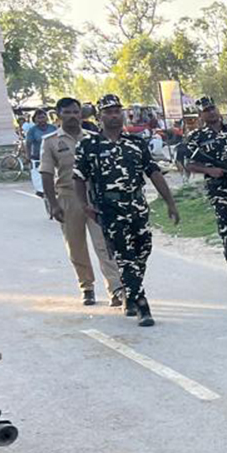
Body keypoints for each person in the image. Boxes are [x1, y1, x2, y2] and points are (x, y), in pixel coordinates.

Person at [72, 93, 180, 326]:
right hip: (109, 210)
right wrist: (84, 205)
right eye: (109, 112)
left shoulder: (136, 143)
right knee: (125, 257)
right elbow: (78, 177)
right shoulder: (89, 145)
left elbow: (153, 173)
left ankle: (130, 292)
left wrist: (170, 202)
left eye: (117, 111)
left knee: (143, 251)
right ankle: (142, 305)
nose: (114, 115)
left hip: (137, 206)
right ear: (100, 116)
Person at [40, 97, 124, 307]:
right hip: (68, 198)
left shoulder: (95, 138)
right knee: (76, 246)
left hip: (95, 198)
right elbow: (47, 174)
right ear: (58, 115)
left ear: (81, 114)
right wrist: (53, 204)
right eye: (67, 112)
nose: (72, 116)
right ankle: (86, 286)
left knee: (104, 244)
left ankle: (116, 288)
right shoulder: (50, 141)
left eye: (76, 112)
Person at [183, 96, 227, 286]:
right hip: (218, 189)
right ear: (201, 115)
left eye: (212, 108)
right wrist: (209, 170)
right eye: (206, 110)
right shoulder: (196, 138)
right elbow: (188, 165)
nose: (211, 112)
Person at [22, 108, 54, 197]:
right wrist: (28, 156)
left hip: (51, 155)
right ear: (35, 119)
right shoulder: (32, 130)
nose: (42, 120)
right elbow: (28, 144)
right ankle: (41, 191)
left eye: (43, 117)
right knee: (38, 174)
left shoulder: (52, 128)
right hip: (37, 156)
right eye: (39, 118)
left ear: (47, 118)